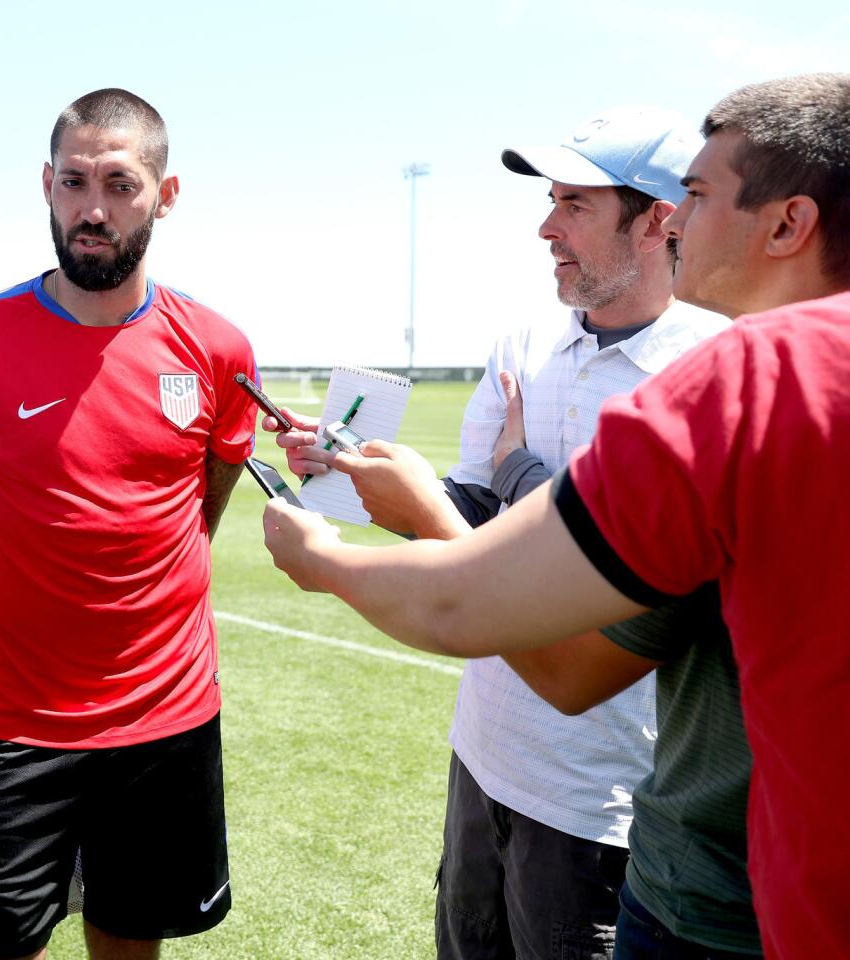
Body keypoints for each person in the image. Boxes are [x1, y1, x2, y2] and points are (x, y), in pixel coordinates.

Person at [261, 73, 850, 960]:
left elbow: (554, 641)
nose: (545, 229)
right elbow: (473, 510)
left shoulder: (729, 371)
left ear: (656, 219)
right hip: (492, 753)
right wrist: (379, 484)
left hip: (608, 803)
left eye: (573, 204)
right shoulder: (527, 345)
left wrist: (349, 551)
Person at [0, 88, 259, 960]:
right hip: (17, 721)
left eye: (119, 183)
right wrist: (16, 564)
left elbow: (203, 498)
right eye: (72, 182)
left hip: (166, 721)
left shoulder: (216, 348)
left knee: (129, 945)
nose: (92, 208)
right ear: (45, 185)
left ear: (164, 195)